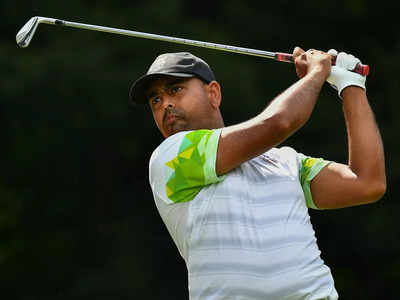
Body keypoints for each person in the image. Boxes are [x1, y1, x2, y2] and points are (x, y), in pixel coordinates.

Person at [129, 48, 386, 299]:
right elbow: (279, 122)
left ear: (213, 94)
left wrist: (351, 86)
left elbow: (367, 183)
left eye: (175, 89)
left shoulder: (285, 161)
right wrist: (317, 73)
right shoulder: (173, 157)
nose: (166, 104)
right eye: (156, 100)